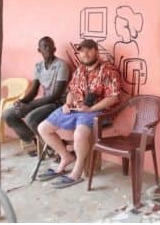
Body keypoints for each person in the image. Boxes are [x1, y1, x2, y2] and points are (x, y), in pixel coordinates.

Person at [38, 39, 121, 188]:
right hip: (75, 109)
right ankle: (65, 156)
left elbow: (113, 98)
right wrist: (67, 104)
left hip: (97, 111)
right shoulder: (80, 70)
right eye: (82, 51)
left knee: (79, 134)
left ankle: (78, 169)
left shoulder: (108, 70)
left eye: (89, 50)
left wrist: (91, 108)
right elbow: (72, 91)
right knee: (43, 128)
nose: (85, 54)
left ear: (96, 51)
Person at [1, 36, 69, 155]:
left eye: (50, 46)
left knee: (31, 118)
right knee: (8, 114)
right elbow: (34, 90)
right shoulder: (38, 66)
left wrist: (29, 106)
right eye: (44, 46)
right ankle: (37, 141)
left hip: (57, 103)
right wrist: (22, 101)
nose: (48, 48)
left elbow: (56, 95)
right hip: (44, 101)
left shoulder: (61, 65)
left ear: (55, 49)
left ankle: (55, 149)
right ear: (39, 50)